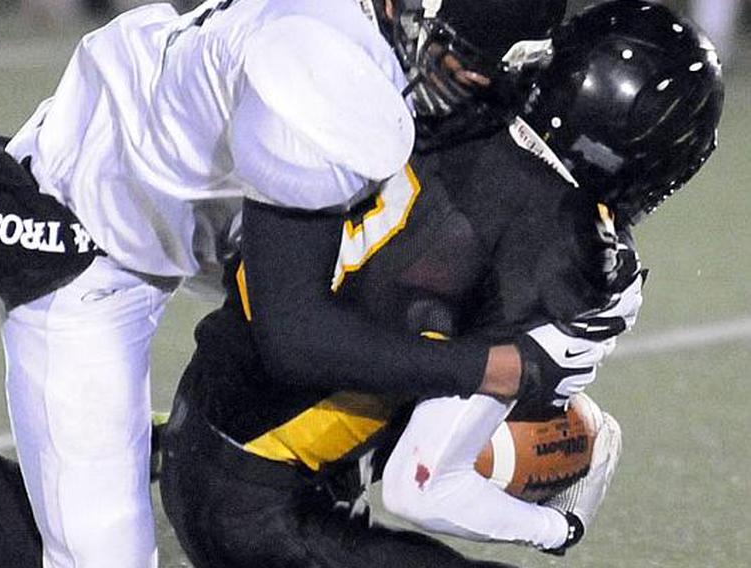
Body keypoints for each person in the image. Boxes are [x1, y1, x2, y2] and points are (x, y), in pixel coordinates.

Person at [0, 1, 605, 567]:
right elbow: (294, 335)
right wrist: (486, 370)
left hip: (186, 151)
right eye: (467, 55)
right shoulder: (327, 80)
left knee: (396, 295)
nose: (479, 79)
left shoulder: (361, 57)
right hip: (88, 235)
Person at [159, 1, 722, 565]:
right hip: (255, 509)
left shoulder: (456, 108)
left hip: (205, 400)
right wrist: (555, 526)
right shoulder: (562, 252)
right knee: (491, 368)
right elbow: (422, 488)